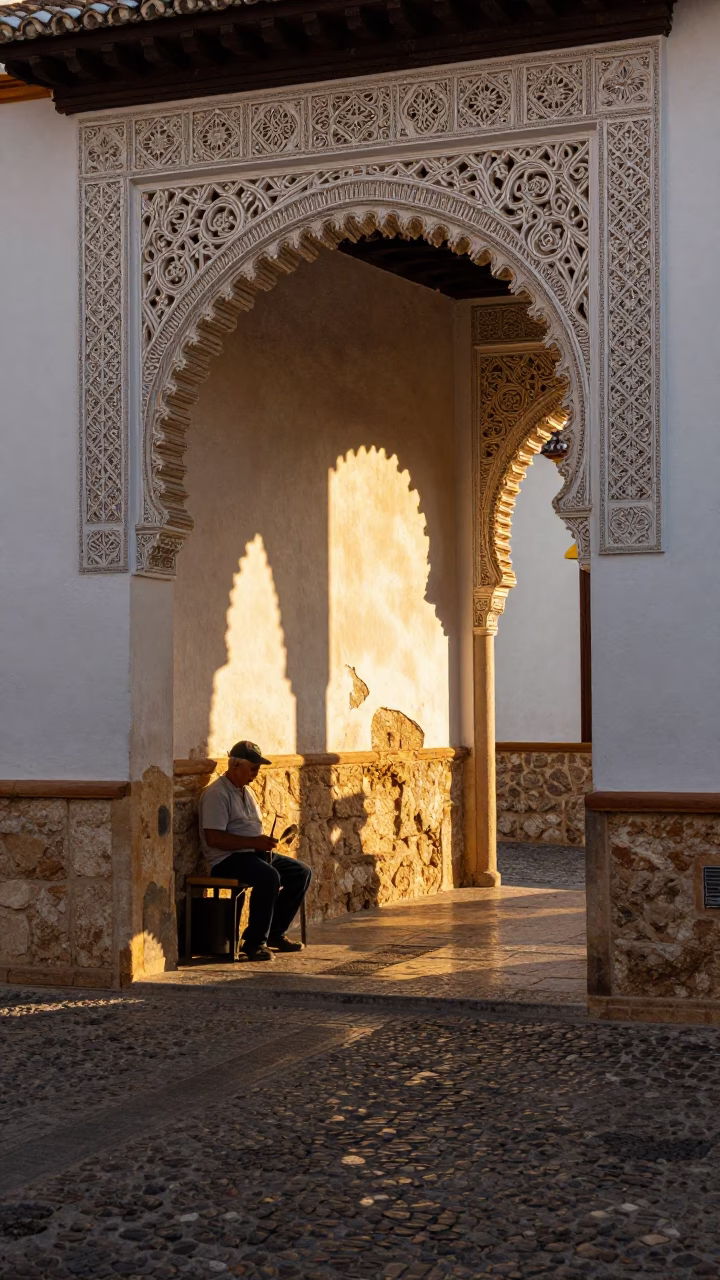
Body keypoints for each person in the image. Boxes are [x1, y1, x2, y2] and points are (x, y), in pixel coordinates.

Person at [199, 741, 312, 962]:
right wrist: (254, 842)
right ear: (235, 765)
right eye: (252, 769)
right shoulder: (217, 794)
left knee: (301, 872)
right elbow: (214, 839)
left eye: (257, 769)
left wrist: (262, 842)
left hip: (251, 853)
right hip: (227, 859)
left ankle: (275, 933)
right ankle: (254, 942)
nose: (255, 774)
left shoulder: (246, 791)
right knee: (268, 877)